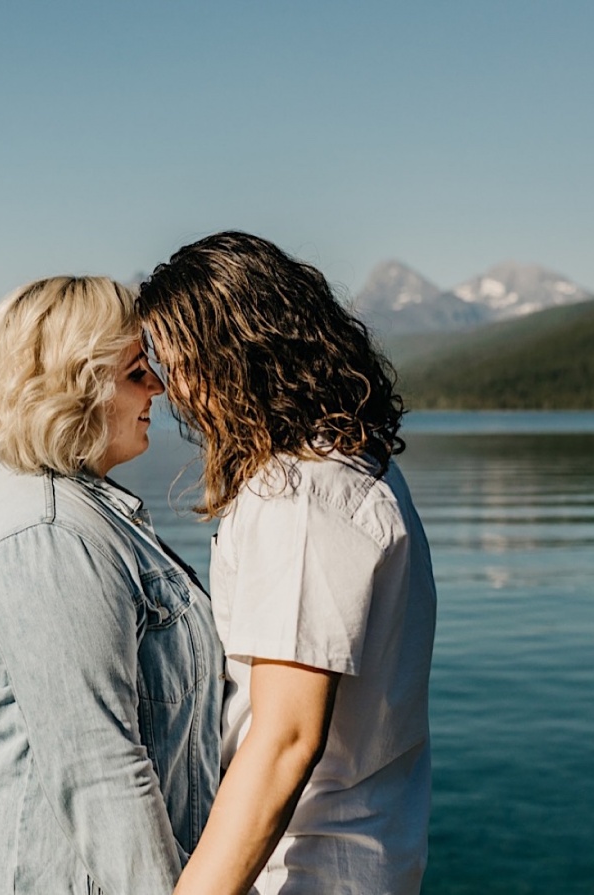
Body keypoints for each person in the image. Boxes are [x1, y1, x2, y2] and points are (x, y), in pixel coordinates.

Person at [136, 232, 437, 895]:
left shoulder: (301, 497)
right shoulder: (354, 466)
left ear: (241, 351)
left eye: (183, 361)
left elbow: (285, 740)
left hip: (305, 872)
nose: (169, 387)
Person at [0, 276, 222, 894]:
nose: (159, 389)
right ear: (78, 386)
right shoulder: (49, 533)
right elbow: (98, 772)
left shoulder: (80, 512)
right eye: (138, 372)